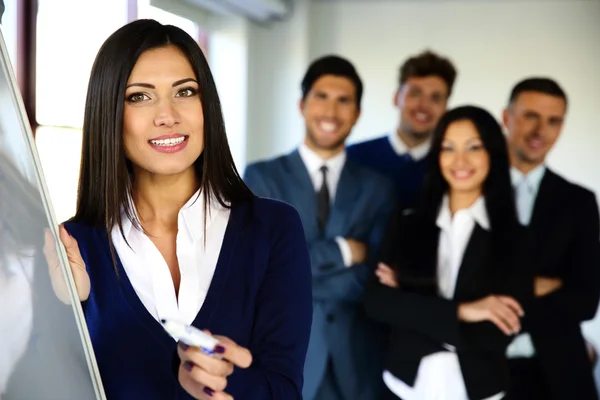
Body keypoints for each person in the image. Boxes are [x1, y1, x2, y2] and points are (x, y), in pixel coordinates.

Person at [49, 19, 312, 400]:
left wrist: (223, 382)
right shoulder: (72, 249)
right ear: (108, 114)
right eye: (139, 96)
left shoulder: (273, 228)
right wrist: (66, 310)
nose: (167, 115)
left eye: (185, 92)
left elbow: (284, 391)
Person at [244, 55, 395, 400]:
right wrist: (344, 251)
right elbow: (259, 271)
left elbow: (373, 277)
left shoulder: (378, 188)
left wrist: (292, 275)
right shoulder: (262, 178)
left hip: (358, 363)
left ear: (357, 113)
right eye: (321, 97)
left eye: (344, 101)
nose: (331, 111)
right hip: (283, 358)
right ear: (301, 105)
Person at [366, 106, 533, 400]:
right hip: (403, 386)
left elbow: (497, 334)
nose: (460, 161)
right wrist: (465, 311)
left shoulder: (516, 238)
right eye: (448, 148)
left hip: (480, 390)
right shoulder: (407, 222)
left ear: (492, 153)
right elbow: (377, 303)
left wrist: (410, 304)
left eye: (473, 147)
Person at [502, 77, 600, 400]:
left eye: (553, 121)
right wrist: (539, 285)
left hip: (560, 375)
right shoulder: (471, 191)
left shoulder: (579, 201)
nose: (540, 131)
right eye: (531, 116)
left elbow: (586, 300)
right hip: (485, 372)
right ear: (507, 118)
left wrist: (503, 290)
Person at [346, 50, 457, 209]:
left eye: (435, 98)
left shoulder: (451, 167)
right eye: (415, 93)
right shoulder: (354, 157)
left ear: (446, 109)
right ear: (396, 98)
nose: (423, 106)